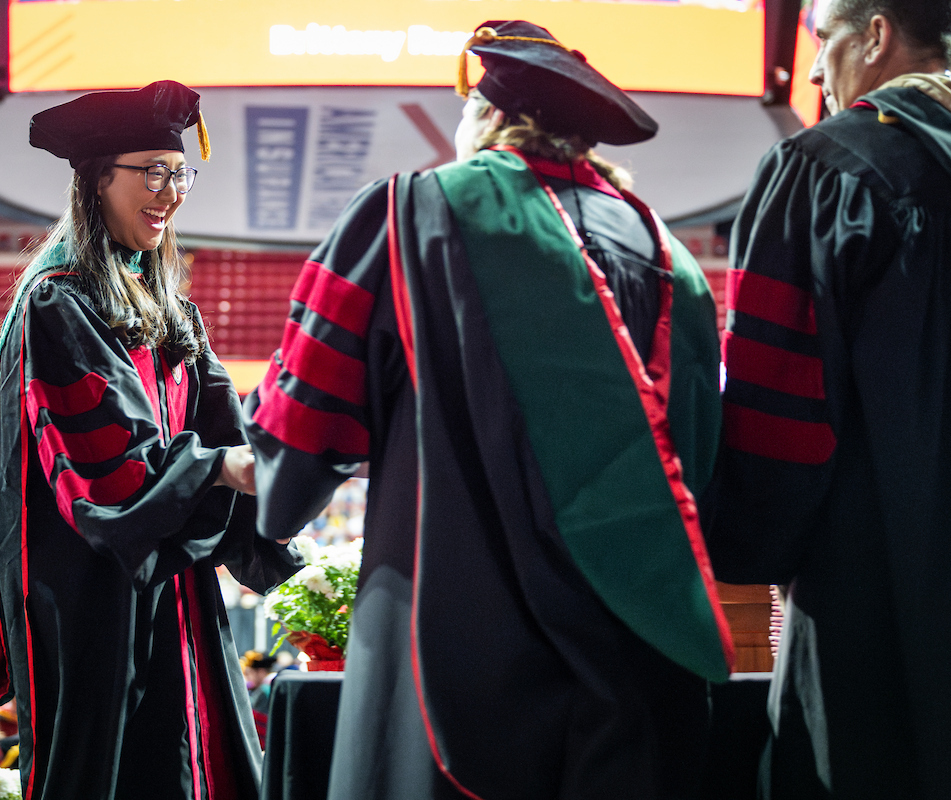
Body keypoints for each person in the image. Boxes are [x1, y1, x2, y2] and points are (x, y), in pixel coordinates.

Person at [245, 20, 732, 800]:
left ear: (487, 118)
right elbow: (702, 474)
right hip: (643, 673)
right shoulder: (675, 264)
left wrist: (260, 469)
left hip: (450, 664)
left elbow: (302, 427)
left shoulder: (414, 214)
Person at [708, 0, 951, 797]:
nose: (811, 70)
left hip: (868, 602)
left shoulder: (823, 169)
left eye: (823, 40)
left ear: (874, 36)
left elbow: (778, 415)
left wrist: (745, 544)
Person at [0, 80, 302, 800]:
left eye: (178, 171)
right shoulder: (58, 303)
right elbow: (110, 473)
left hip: (174, 586)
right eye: (150, 171)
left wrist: (293, 492)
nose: (171, 192)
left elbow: (231, 434)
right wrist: (223, 469)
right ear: (97, 178)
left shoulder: (172, 309)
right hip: (95, 598)